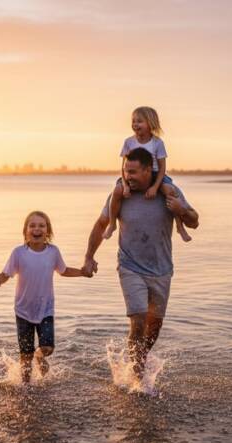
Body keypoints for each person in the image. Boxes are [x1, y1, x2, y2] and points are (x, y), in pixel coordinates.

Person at [83, 147, 199, 377]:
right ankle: (137, 377)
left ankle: (140, 359)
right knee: (137, 318)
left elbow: (194, 221)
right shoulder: (120, 196)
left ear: (149, 170)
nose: (128, 177)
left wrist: (181, 209)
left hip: (161, 270)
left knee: (153, 328)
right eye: (126, 171)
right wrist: (89, 257)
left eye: (134, 172)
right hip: (130, 266)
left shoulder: (168, 191)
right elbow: (101, 224)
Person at [0, 211, 90, 383]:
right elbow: (6, 274)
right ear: (25, 231)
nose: (36, 229)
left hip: (45, 309)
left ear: (48, 231)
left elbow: (64, 271)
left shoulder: (53, 252)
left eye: (41, 225)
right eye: (32, 225)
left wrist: (82, 272)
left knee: (47, 348)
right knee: (25, 354)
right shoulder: (18, 253)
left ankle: (39, 357)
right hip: (23, 309)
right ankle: (26, 387)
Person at [103, 106, 192, 242]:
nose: (135, 124)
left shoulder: (157, 143)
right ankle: (112, 224)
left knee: (170, 190)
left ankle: (180, 226)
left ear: (150, 123)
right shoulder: (129, 142)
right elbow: (123, 167)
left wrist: (155, 187)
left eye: (139, 121)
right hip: (133, 176)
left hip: (156, 175)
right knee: (117, 191)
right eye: (133, 121)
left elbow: (162, 168)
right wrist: (125, 185)